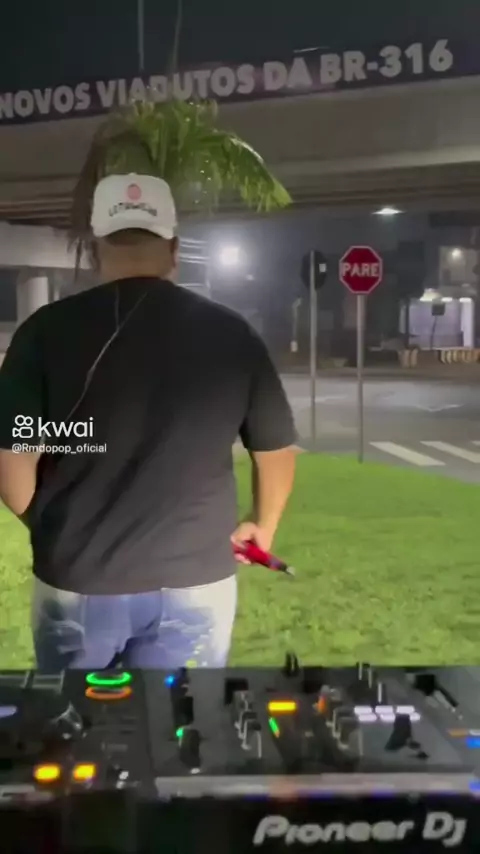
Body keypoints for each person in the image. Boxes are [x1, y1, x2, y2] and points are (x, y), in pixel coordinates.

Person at [0, 173, 296, 671]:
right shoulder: (231, 334)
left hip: (79, 583)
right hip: (195, 582)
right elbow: (276, 452)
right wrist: (262, 526)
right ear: (174, 248)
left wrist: (60, 529)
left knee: (77, 721)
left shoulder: (42, 333)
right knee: (181, 720)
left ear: (95, 248)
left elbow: (12, 470)